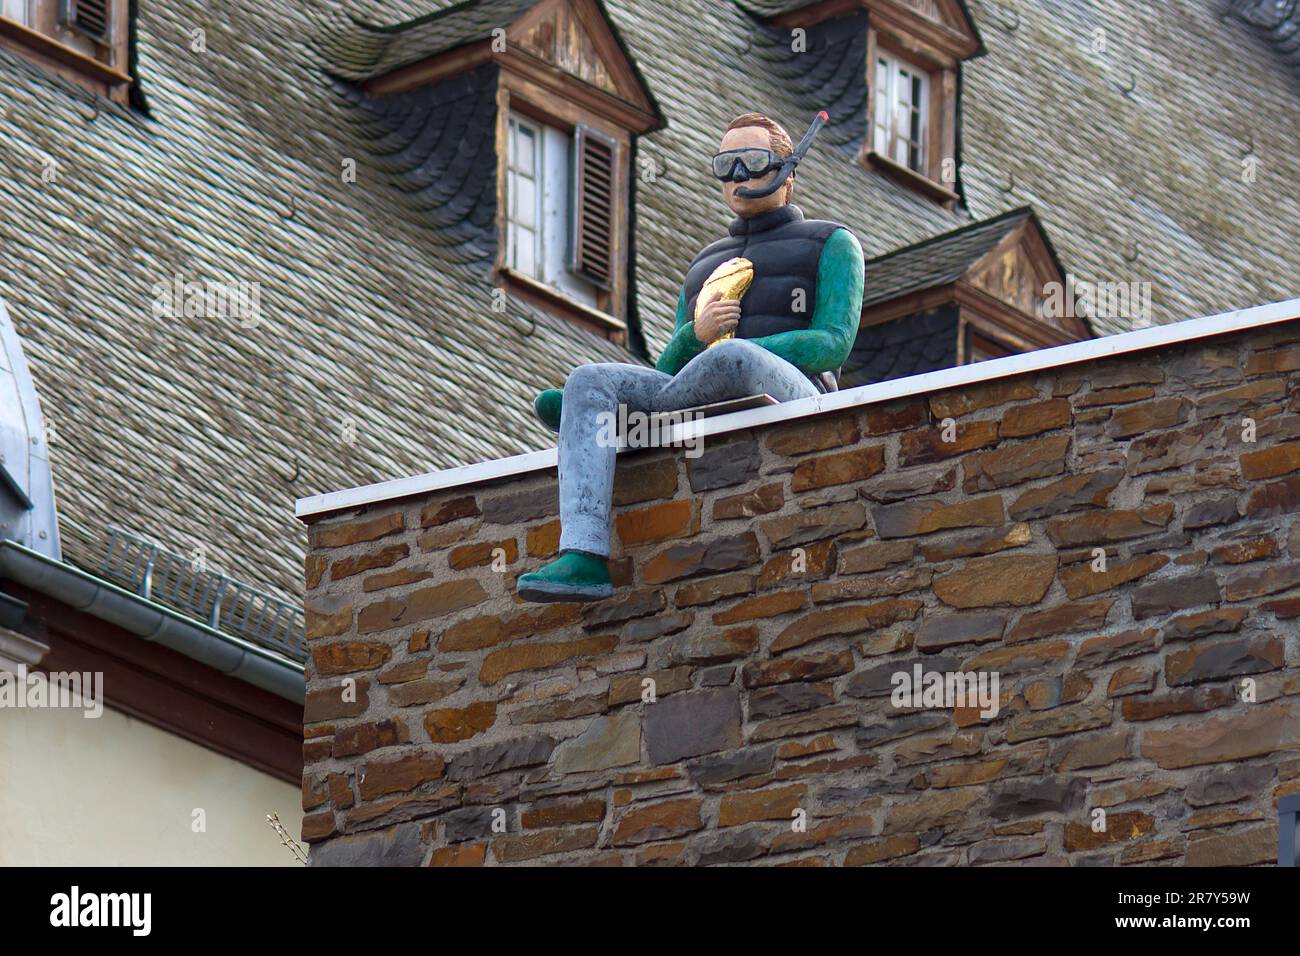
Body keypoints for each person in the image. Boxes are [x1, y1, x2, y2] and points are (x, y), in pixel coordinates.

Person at [517, 111, 864, 602]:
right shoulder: (705, 263)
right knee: (590, 377)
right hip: (699, 392)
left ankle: (609, 419)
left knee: (732, 359)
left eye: (753, 161)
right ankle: (583, 554)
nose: (739, 177)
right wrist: (695, 336)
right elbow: (668, 371)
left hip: (801, 396)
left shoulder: (833, 242)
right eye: (727, 165)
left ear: (789, 169)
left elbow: (832, 342)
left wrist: (727, 349)